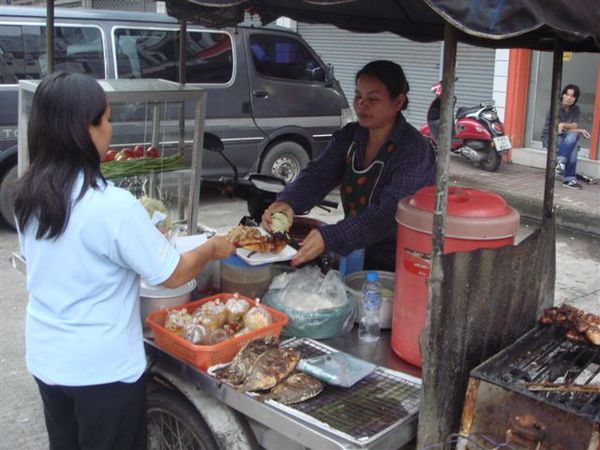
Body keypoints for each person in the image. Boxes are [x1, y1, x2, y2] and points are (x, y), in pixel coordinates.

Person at [13, 71, 234, 450]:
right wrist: (212, 248)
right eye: (108, 119)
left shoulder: (26, 196)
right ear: (86, 128)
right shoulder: (111, 205)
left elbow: (70, 257)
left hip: (48, 359)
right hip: (103, 370)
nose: (111, 130)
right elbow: (172, 273)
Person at [261, 60, 436, 272]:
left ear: (398, 102)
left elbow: (389, 213)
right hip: (355, 250)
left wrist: (332, 236)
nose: (362, 104)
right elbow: (317, 175)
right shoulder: (351, 137)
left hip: (398, 260)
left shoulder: (414, 150)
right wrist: (288, 202)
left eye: (373, 99)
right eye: (358, 96)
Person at [541, 83, 591, 190]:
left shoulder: (576, 109)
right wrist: (564, 127)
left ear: (575, 99)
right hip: (551, 136)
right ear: (563, 95)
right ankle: (569, 178)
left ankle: (560, 163)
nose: (569, 98)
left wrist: (564, 125)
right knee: (573, 141)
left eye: (573, 96)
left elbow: (574, 126)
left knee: (574, 136)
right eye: (567, 95)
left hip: (565, 136)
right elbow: (557, 130)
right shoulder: (555, 107)